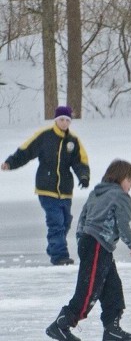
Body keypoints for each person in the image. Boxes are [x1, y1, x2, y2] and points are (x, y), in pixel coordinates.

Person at [46, 159, 131, 341]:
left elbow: (83, 217)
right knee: (89, 290)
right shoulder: (121, 196)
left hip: (91, 242)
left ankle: (112, 330)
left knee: (112, 286)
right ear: (121, 178)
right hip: (98, 244)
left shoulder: (96, 193)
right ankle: (62, 323)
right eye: (130, 180)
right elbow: (122, 223)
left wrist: (82, 241)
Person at [1, 105, 90, 265]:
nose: (64, 123)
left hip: (65, 190)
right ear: (56, 120)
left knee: (65, 222)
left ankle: (54, 246)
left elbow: (80, 162)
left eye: (67, 120)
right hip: (46, 188)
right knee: (55, 222)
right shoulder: (45, 137)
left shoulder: (73, 141)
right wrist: (10, 163)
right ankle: (59, 256)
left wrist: (83, 176)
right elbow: (25, 151)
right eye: (61, 120)